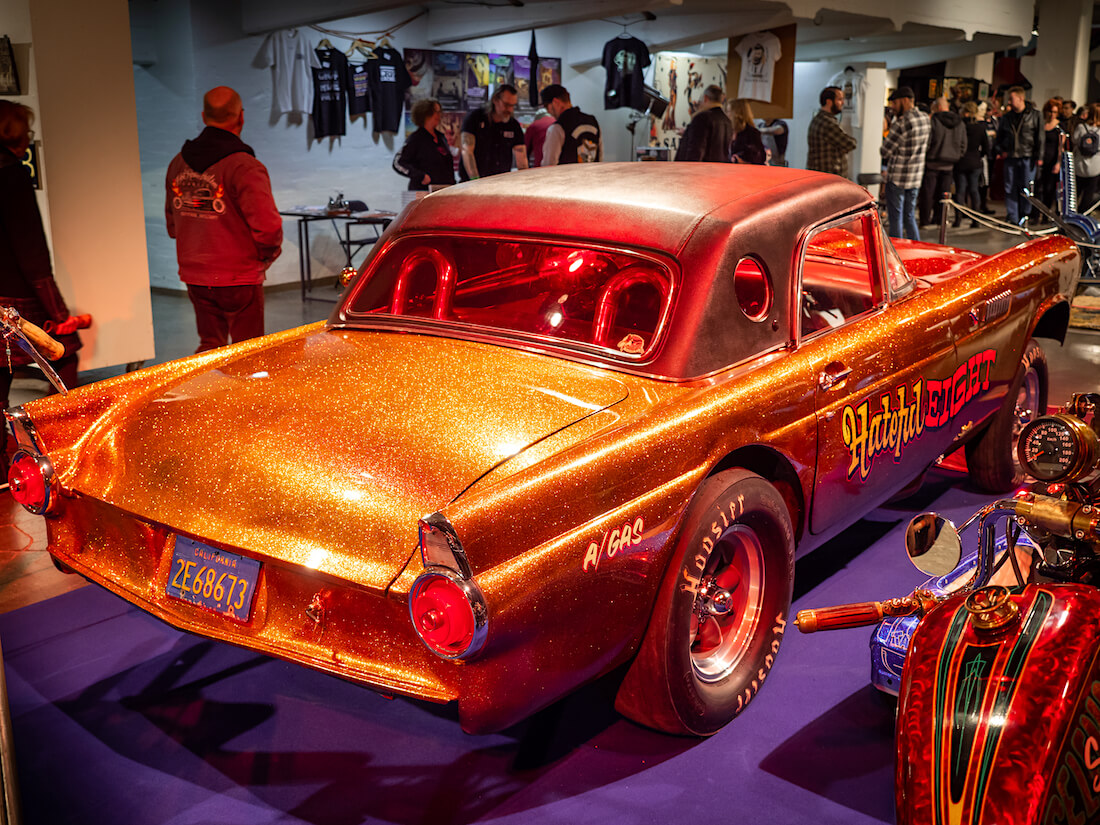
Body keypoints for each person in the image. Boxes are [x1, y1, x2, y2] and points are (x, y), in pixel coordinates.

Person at [166, 86, 282, 353]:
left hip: (195, 274)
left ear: (204, 117)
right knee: (248, 351)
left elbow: (173, 226)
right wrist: (267, 255)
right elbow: (268, 228)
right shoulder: (244, 166)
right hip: (238, 276)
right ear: (241, 117)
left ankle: (208, 395)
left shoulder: (177, 164)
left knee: (210, 347)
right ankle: (245, 397)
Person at [0, 100, 82, 408]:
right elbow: (31, 252)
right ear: (16, 136)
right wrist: (59, 314)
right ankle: (59, 436)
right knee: (65, 353)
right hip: (14, 299)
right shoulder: (12, 176)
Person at [880, 86, 931, 240]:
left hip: (898, 178)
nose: (893, 108)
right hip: (915, 177)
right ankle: (915, 250)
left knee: (896, 218)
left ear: (905, 101)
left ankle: (897, 252)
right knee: (909, 216)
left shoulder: (901, 123)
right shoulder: (925, 119)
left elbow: (885, 151)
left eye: (895, 103)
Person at [994, 86, 1044, 226]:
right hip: (1010, 157)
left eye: (1011, 98)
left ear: (1021, 98)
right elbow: (999, 138)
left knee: (1026, 188)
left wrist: (1039, 157)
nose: (1009, 102)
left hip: (1028, 157)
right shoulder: (1007, 117)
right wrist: (1000, 150)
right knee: (1009, 187)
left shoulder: (1035, 115)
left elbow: (1040, 138)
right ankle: (1012, 217)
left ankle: (1025, 215)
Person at [459, 84, 528, 180]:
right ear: (495, 100)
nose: (510, 110)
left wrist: (524, 182)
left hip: (500, 183)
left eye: (513, 106)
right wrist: (475, 180)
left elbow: (521, 157)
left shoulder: (514, 125)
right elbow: (467, 151)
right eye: (506, 105)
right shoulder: (475, 118)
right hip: (472, 183)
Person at [918, 96, 966, 226]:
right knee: (944, 194)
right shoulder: (959, 122)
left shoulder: (934, 120)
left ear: (938, 107)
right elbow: (963, 143)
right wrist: (957, 155)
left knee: (928, 193)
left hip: (933, 161)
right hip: (950, 163)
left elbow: (928, 140)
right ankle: (940, 219)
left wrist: (927, 154)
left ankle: (925, 220)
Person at [393, 97, 456, 191]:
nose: (439, 115)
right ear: (426, 114)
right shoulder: (416, 139)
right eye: (436, 112)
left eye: (440, 112)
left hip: (444, 190)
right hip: (423, 192)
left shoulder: (441, 137)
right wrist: (420, 176)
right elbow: (398, 163)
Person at [540, 84, 602, 165]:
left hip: (567, 177)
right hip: (592, 176)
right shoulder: (593, 122)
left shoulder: (557, 127)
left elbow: (549, 164)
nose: (548, 111)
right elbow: (600, 156)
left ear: (555, 102)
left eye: (546, 106)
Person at [952, 102, 990, 228]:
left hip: (961, 161)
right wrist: (979, 155)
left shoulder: (959, 127)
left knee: (960, 191)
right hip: (975, 162)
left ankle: (958, 219)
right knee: (974, 191)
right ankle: (976, 220)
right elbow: (986, 147)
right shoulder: (979, 128)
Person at [806, 86, 858, 177]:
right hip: (829, 176)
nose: (843, 103)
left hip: (819, 175)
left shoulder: (818, 118)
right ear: (829, 102)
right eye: (840, 99)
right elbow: (850, 143)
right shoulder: (828, 123)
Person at [674, 84, 732, 163]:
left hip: (703, 171)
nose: (699, 104)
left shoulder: (702, 118)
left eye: (700, 100)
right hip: (721, 170)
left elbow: (696, 151)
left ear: (705, 98)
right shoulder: (727, 121)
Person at [1035, 99, 1063, 219]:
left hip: (1052, 162)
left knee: (1048, 190)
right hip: (1040, 160)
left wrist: (1058, 163)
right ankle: (1035, 215)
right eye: (1050, 111)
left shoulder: (1059, 127)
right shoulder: (1042, 124)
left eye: (1055, 112)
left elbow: (1061, 147)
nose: (1052, 114)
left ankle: (1046, 216)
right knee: (1037, 189)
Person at [1073, 103, 1100, 213]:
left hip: (1079, 166)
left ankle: (1071, 218)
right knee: (1088, 196)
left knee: (1075, 194)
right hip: (1095, 167)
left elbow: (1074, 140)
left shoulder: (1081, 127)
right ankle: (1082, 217)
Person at [727, 98, 766, 164]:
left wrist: (740, 158)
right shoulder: (728, 130)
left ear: (737, 113)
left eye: (729, 111)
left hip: (746, 171)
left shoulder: (752, 132)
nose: (727, 114)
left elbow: (760, 156)